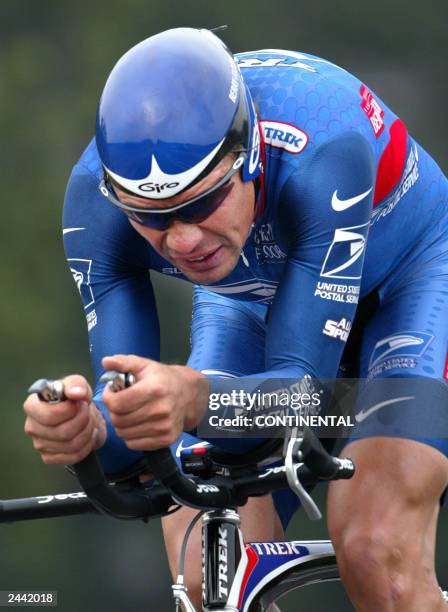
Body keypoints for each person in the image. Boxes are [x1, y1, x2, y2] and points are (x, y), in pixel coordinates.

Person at [23, 27, 448, 610]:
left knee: (376, 546)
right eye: (153, 218)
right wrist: (92, 430)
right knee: (203, 571)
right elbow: (132, 449)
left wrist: (193, 400)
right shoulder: (96, 206)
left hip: (408, 281)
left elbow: (308, 399)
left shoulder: (324, 151)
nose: (183, 240)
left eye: (201, 203)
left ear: (247, 157)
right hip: (255, 295)